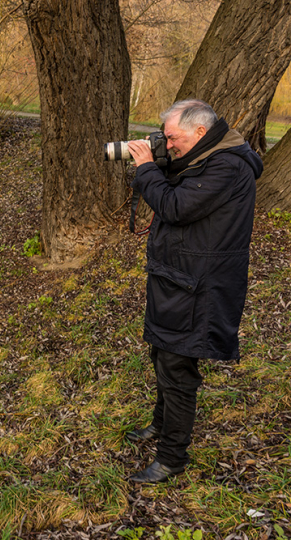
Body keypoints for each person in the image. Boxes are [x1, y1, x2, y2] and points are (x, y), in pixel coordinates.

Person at [125, 99, 262, 483]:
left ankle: (171, 458)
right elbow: (181, 185)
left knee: (178, 368)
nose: (168, 146)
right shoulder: (207, 155)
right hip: (178, 279)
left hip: (199, 287)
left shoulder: (227, 166)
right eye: (165, 139)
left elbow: (176, 206)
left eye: (173, 139)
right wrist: (162, 163)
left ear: (200, 132)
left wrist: (147, 169)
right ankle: (160, 424)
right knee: (162, 355)